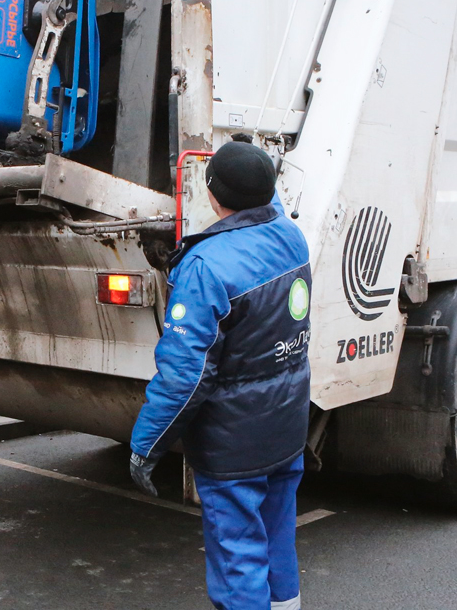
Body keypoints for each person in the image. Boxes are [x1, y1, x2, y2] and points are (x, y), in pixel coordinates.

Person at [128, 140, 312, 610]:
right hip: (286, 427)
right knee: (276, 539)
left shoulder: (207, 266)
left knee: (238, 559)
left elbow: (184, 377)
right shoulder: (291, 237)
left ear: (213, 196)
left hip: (234, 445)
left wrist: (146, 446)